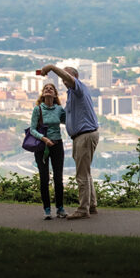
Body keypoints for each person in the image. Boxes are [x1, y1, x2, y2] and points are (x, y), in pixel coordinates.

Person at [39, 65, 100, 220]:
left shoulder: (78, 89)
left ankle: (83, 209)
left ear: (74, 77)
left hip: (84, 136)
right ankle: (91, 204)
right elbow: (63, 117)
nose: (63, 79)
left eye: (66, 76)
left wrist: (51, 67)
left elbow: (68, 78)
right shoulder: (72, 95)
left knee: (81, 174)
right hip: (81, 136)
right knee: (85, 171)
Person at [30, 82, 67, 220]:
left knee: (58, 178)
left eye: (51, 89)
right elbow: (32, 129)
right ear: (42, 93)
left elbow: (66, 121)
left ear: (55, 94)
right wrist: (44, 139)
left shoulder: (59, 109)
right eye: (46, 88)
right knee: (44, 178)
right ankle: (46, 209)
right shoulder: (38, 109)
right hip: (42, 146)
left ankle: (60, 208)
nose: (48, 90)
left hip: (57, 144)